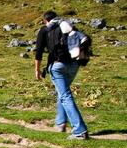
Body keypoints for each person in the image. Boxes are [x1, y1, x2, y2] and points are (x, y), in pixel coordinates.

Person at [34, 10, 88, 139]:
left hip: (57, 65)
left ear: (45, 20)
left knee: (65, 96)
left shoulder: (45, 30)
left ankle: (80, 130)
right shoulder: (68, 27)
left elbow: (39, 52)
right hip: (74, 65)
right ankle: (61, 123)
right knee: (62, 92)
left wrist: (37, 70)